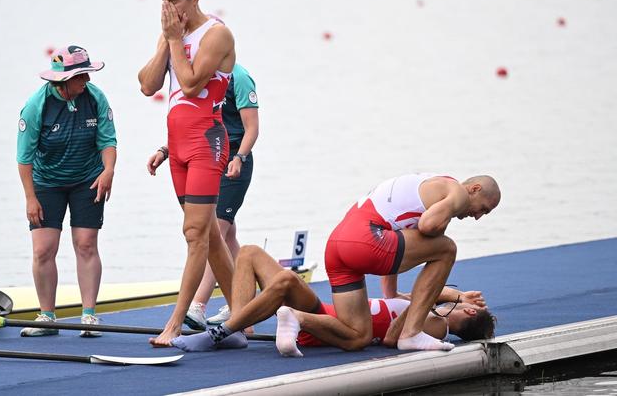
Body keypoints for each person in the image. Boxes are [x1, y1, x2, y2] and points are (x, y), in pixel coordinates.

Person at [274, 174, 501, 354]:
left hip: (336, 245)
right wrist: (439, 237)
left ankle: (296, 317)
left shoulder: (429, 185)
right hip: (367, 238)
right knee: (447, 249)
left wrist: (393, 293)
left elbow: (402, 231)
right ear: (474, 189)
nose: (478, 217)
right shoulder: (458, 193)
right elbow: (427, 225)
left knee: (357, 336)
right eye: (483, 209)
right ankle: (411, 334)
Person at [137, 0, 236, 346]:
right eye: (163, 2)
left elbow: (192, 83)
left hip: (206, 140)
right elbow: (148, 85)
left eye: (173, 2)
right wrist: (168, 38)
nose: (167, 9)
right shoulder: (173, 34)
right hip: (176, 144)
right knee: (209, 236)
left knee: (194, 234)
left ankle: (176, 323)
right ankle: (242, 315)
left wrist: (176, 40)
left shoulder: (217, 34)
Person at [171, 245, 496, 354]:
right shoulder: (428, 312)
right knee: (249, 253)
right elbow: (396, 293)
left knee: (285, 281)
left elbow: (394, 339)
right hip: (327, 310)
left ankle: (221, 332)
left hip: (331, 327)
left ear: (467, 311)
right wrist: (451, 293)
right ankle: (239, 331)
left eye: (466, 302)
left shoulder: (436, 328)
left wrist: (442, 298)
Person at [147, 63, 260, 330]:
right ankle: (244, 306)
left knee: (214, 234)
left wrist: (240, 158)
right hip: (204, 157)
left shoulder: (239, 77)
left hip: (234, 161)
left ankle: (197, 306)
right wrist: (165, 151)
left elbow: (252, 128)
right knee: (226, 237)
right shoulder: (196, 78)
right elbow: (192, 121)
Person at [16, 45, 117, 337]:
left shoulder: (95, 98)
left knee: (86, 244)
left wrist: (108, 171)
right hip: (46, 182)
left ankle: (89, 316)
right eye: (81, 76)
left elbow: (107, 140)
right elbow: (24, 159)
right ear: (63, 80)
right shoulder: (37, 106)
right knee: (43, 249)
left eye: (87, 74)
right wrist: (30, 198)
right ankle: (47, 317)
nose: (87, 80)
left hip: (88, 178)